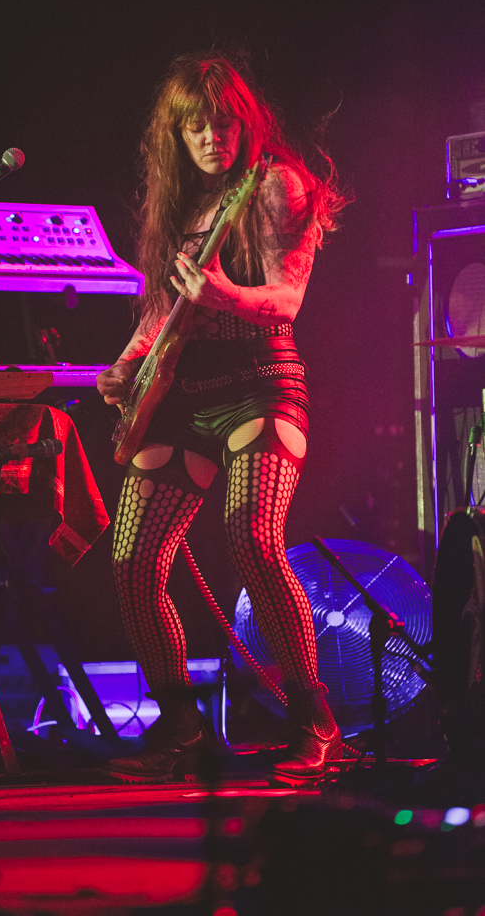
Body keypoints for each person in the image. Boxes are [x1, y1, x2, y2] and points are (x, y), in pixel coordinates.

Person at [96, 53, 347, 783]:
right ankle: (181, 729)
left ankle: (313, 717)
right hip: (186, 396)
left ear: (246, 121)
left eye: (223, 121)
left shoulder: (274, 184)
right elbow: (162, 311)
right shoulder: (180, 206)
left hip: (262, 385)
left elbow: (286, 299)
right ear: (174, 134)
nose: (212, 137)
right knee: (134, 559)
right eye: (195, 126)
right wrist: (125, 364)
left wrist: (222, 294)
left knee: (251, 533)